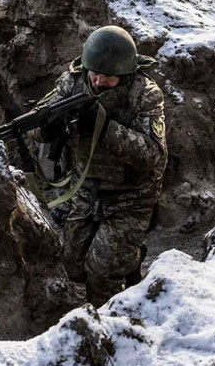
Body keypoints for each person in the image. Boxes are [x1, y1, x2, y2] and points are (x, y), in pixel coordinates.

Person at [34, 25, 167, 307]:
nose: (98, 81)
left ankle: (107, 322)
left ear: (124, 74)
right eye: (94, 73)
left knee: (101, 275)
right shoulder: (73, 82)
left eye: (108, 77)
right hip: (85, 190)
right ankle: (129, 260)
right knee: (73, 266)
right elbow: (39, 119)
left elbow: (154, 156)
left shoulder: (145, 94)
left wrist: (104, 128)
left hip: (130, 198)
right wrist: (46, 128)